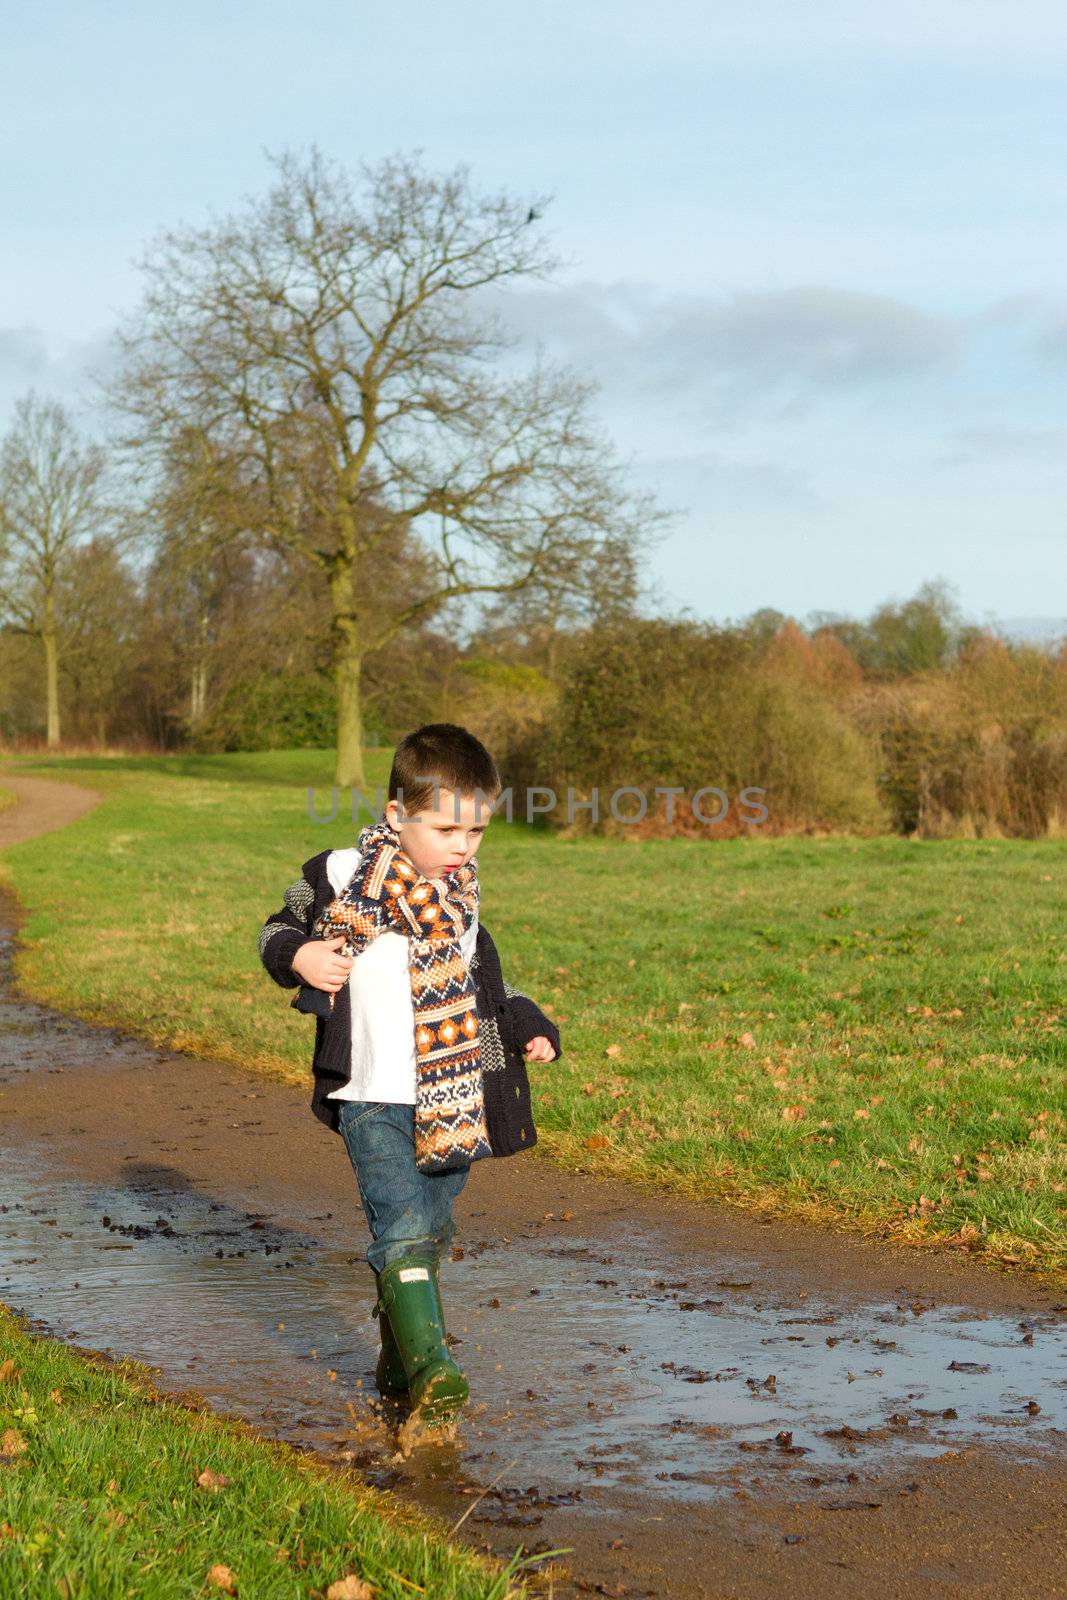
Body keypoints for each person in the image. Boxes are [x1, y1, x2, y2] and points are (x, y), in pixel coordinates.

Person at [258, 723, 562, 1428]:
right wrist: (301, 958)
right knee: (398, 1224)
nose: (463, 845)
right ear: (397, 815)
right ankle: (434, 1363)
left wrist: (531, 1027)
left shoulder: (461, 899)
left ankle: (397, 1365)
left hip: (452, 1095)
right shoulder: (337, 875)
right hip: (371, 1093)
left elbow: (489, 983)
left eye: (477, 831)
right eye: (448, 828)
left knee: (429, 1230)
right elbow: (275, 930)